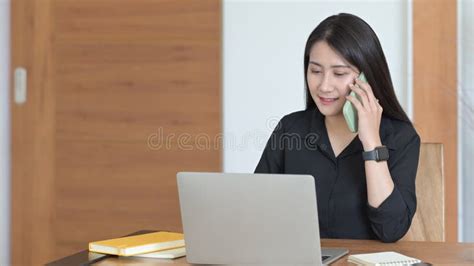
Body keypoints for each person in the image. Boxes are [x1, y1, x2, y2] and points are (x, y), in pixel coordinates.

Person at [254, 13, 420, 243]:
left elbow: (391, 229)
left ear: (367, 77)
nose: (324, 85)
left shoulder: (401, 137)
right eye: (315, 71)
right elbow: (256, 211)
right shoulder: (290, 129)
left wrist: (371, 142)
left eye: (339, 73)